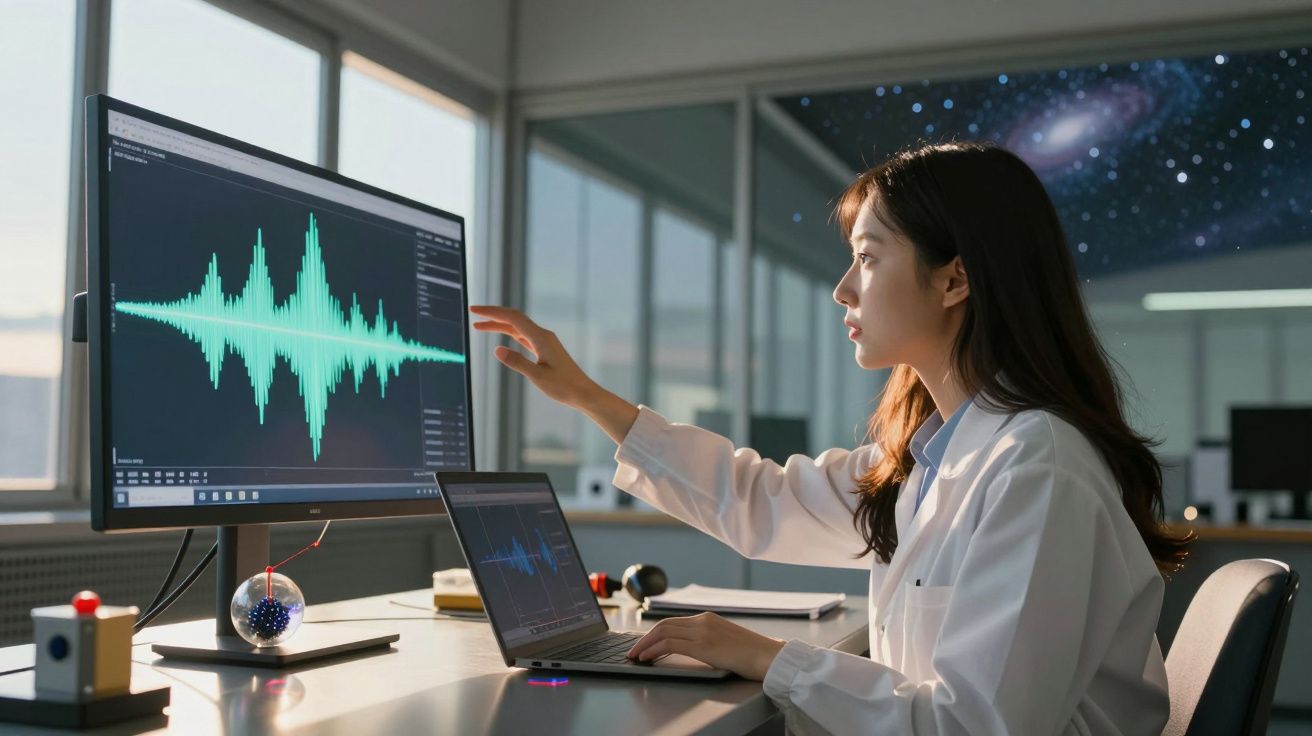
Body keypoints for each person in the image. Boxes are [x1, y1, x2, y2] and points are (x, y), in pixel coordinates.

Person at [469, 141, 1192, 735]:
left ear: (955, 281)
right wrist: (588, 398)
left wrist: (771, 658)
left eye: (869, 257)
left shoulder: (1037, 466)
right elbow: (762, 499)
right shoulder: (934, 457)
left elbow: (974, 728)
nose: (844, 288)